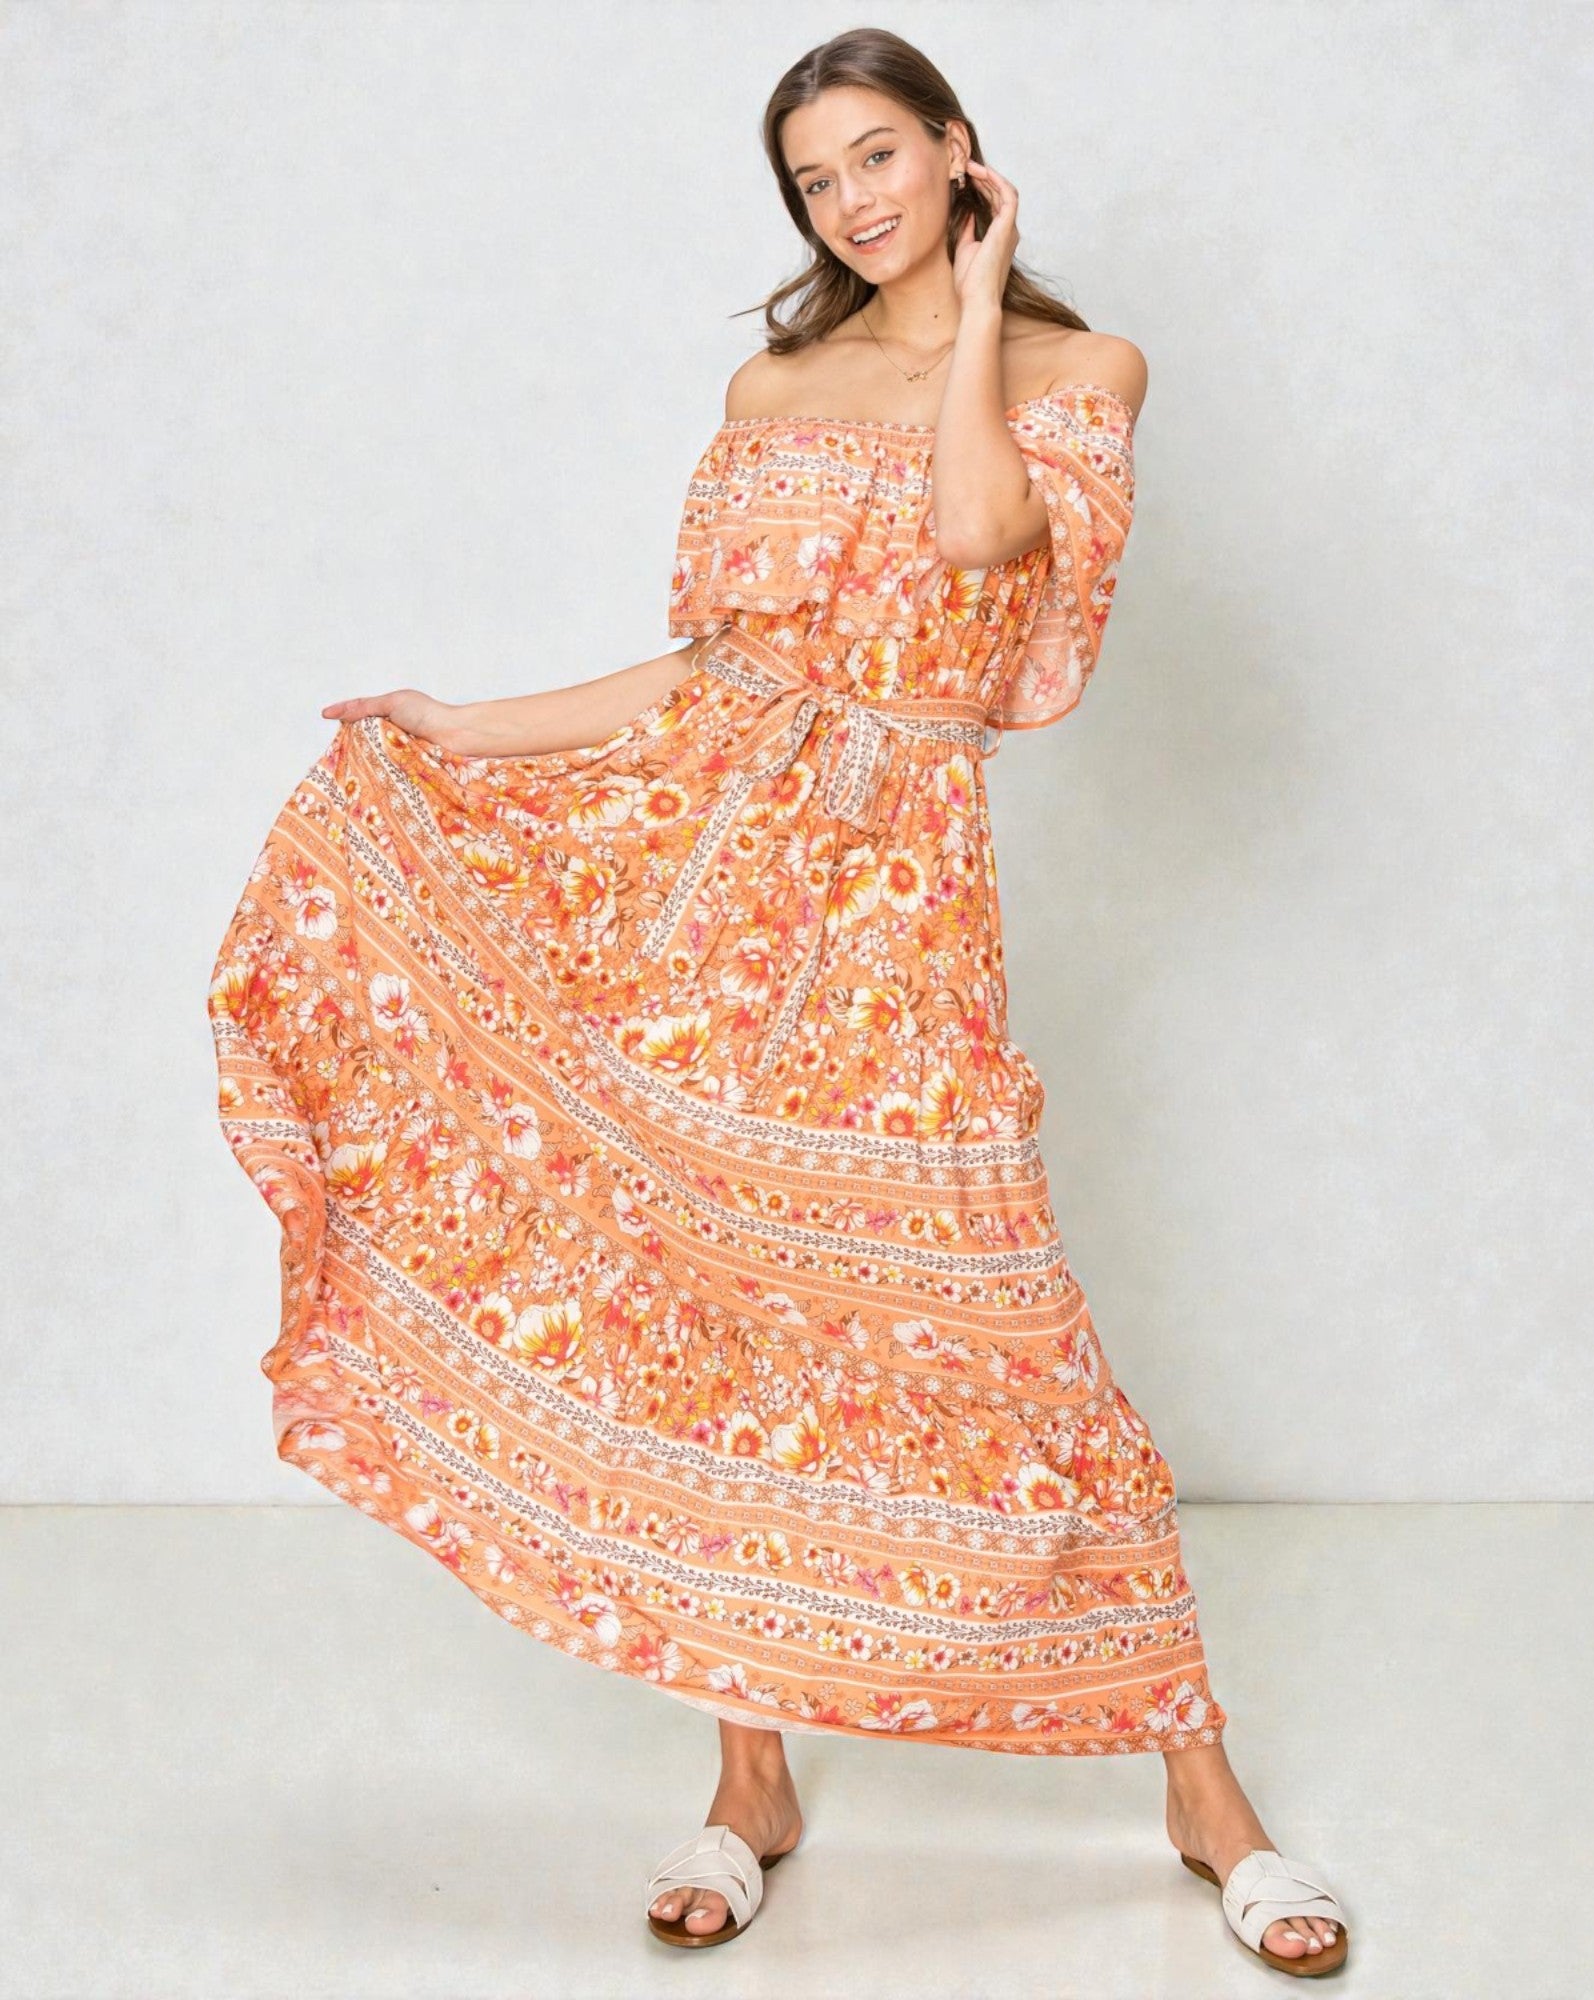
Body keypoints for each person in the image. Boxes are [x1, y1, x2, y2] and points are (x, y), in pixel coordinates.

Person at [207, 25, 1349, 1979]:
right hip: (714, 911)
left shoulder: (1082, 371)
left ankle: (1199, 1791)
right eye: (816, 181)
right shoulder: (774, 381)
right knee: (709, 1322)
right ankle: (748, 1782)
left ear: (954, 154)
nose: (851, 203)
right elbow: (711, 677)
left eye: (877, 159)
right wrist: (464, 721)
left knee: (1003, 1343)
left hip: (902, 917)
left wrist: (980, 305)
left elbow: (989, 547)